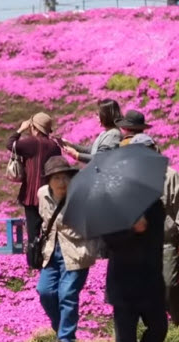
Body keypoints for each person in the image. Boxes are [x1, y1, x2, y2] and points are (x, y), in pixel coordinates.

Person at [36, 156, 97, 342]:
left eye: (65, 177)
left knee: (67, 295)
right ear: (49, 181)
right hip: (52, 252)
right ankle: (61, 329)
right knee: (44, 291)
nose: (62, 182)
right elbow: (44, 220)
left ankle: (66, 338)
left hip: (76, 251)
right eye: (56, 178)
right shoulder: (42, 194)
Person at [129, 133, 179, 325]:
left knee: (168, 283)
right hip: (140, 243)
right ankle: (152, 324)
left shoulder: (170, 175)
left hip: (166, 241)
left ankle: (175, 320)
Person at [102, 196, 167, 340]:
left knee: (159, 328)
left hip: (151, 279)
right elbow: (109, 240)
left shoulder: (155, 204)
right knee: (126, 336)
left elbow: (157, 233)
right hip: (123, 284)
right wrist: (131, 229)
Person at [7, 112, 61, 247]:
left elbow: (10, 144)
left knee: (33, 234)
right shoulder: (54, 146)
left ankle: (34, 261)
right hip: (50, 194)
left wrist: (20, 129)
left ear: (34, 128)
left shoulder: (31, 142)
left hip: (32, 195)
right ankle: (47, 260)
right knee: (48, 231)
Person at [62, 99, 123, 163]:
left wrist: (76, 155)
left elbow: (99, 158)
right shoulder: (105, 133)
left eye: (98, 114)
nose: (97, 117)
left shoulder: (113, 134)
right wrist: (71, 145)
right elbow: (91, 150)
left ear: (106, 116)